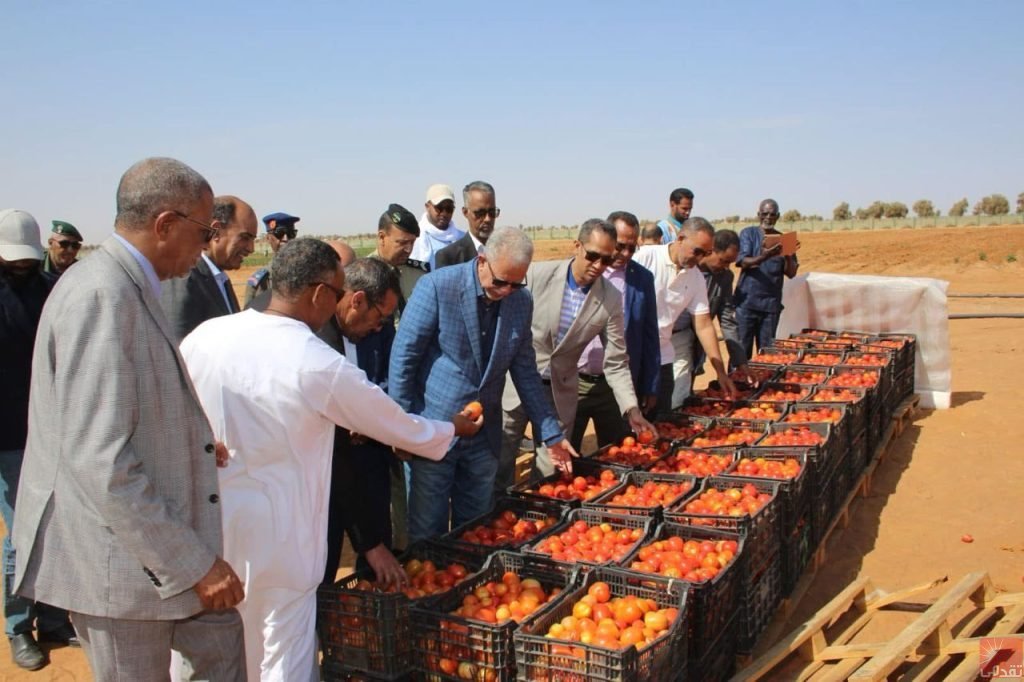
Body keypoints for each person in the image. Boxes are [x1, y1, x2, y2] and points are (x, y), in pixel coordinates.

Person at [180, 237, 481, 681]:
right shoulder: (314, 360)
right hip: (283, 536)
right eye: (338, 293)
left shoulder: (206, 336)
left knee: (220, 648)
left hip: (210, 533)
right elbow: (397, 424)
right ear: (320, 294)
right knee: (283, 653)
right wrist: (452, 427)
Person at [12, 157, 247, 681]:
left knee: (222, 645)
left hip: (153, 552)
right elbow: (101, 462)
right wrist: (194, 563)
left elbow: (128, 410)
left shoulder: (128, 285)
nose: (208, 243)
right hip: (119, 566)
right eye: (203, 230)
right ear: (165, 224)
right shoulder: (102, 295)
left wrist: (193, 441)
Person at [390, 227, 574, 542]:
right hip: (435, 430)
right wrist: (402, 426)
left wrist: (551, 433)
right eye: (500, 281)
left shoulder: (520, 302)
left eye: (516, 283)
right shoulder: (437, 286)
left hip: (485, 437)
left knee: (475, 529)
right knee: (428, 532)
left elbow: (526, 372)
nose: (506, 290)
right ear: (482, 260)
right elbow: (404, 359)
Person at [500, 219, 656, 486]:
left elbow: (616, 361)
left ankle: (541, 521)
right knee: (499, 461)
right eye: (592, 255)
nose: (597, 265)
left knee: (551, 471)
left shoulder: (610, 298)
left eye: (606, 260)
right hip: (515, 385)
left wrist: (631, 409)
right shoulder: (537, 275)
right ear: (577, 246)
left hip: (559, 393)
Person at [0, 209, 75, 670]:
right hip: (7, 437)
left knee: (58, 527)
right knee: (21, 534)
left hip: (49, 430)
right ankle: (17, 627)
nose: (21, 268)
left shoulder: (51, 292)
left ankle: (51, 618)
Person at [319, 252, 408, 587]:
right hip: (328, 468)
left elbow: (388, 380)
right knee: (323, 562)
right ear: (357, 300)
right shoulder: (314, 336)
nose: (380, 327)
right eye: (379, 318)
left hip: (370, 458)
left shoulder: (373, 331)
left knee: (375, 545)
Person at [570, 211, 660, 451]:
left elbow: (650, 333)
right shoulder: (583, 273)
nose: (625, 254)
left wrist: (650, 384)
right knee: (565, 458)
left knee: (616, 454)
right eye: (620, 247)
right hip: (574, 383)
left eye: (632, 248)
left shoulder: (642, 279)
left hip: (615, 386)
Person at [633, 217, 740, 411]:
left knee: (661, 414)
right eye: (697, 251)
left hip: (662, 355)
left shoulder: (696, 278)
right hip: (632, 353)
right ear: (681, 238)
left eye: (706, 254)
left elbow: (704, 325)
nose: (699, 259)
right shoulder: (645, 257)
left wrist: (721, 372)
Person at [161, 196, 258, 341]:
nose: (251, 248)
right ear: (216, 231)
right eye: (244, 237)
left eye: (253, 240)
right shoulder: (186, 279)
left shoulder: (220, 278)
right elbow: (178, 348)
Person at [671, 229, 746, 405]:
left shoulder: (724, 277)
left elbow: (727, 319)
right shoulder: (686, 268)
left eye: (730, 263)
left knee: (681, 391)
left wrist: (741, 361)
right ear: (711, 251)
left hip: (694, 340)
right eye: (724, 260)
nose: (726, 266)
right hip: (670, 334)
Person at [734, 199, 800, 359]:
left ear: (778, 216)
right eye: (765, 214)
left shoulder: (785, 239)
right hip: (746, 304)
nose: (768, 217)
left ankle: (762, 383)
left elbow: (791, 273)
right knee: (741, 351)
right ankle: (737, 383)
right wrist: (764, 256)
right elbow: (743, 262)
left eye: (772, 214)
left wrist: (789, 256)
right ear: (758, 215)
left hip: (770, 306)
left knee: (767, 354)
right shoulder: (748, 233)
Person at [434, 181, 498, 268]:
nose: (488, 219)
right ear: (465, 212)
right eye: (480, 213)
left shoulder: (505, 253)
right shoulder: (448, 257)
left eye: (492, 212)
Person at [244, 211, 299, 306]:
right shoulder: (261, 281)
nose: (286, 239)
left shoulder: (308, 273)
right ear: (268, 238)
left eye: (291, 234)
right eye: (279, 233)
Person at [410, 183, 464, 271]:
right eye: (439, 208)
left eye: (449, 208)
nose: (444, 213)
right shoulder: (414, 238)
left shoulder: (462, 239)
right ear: (427, 207)